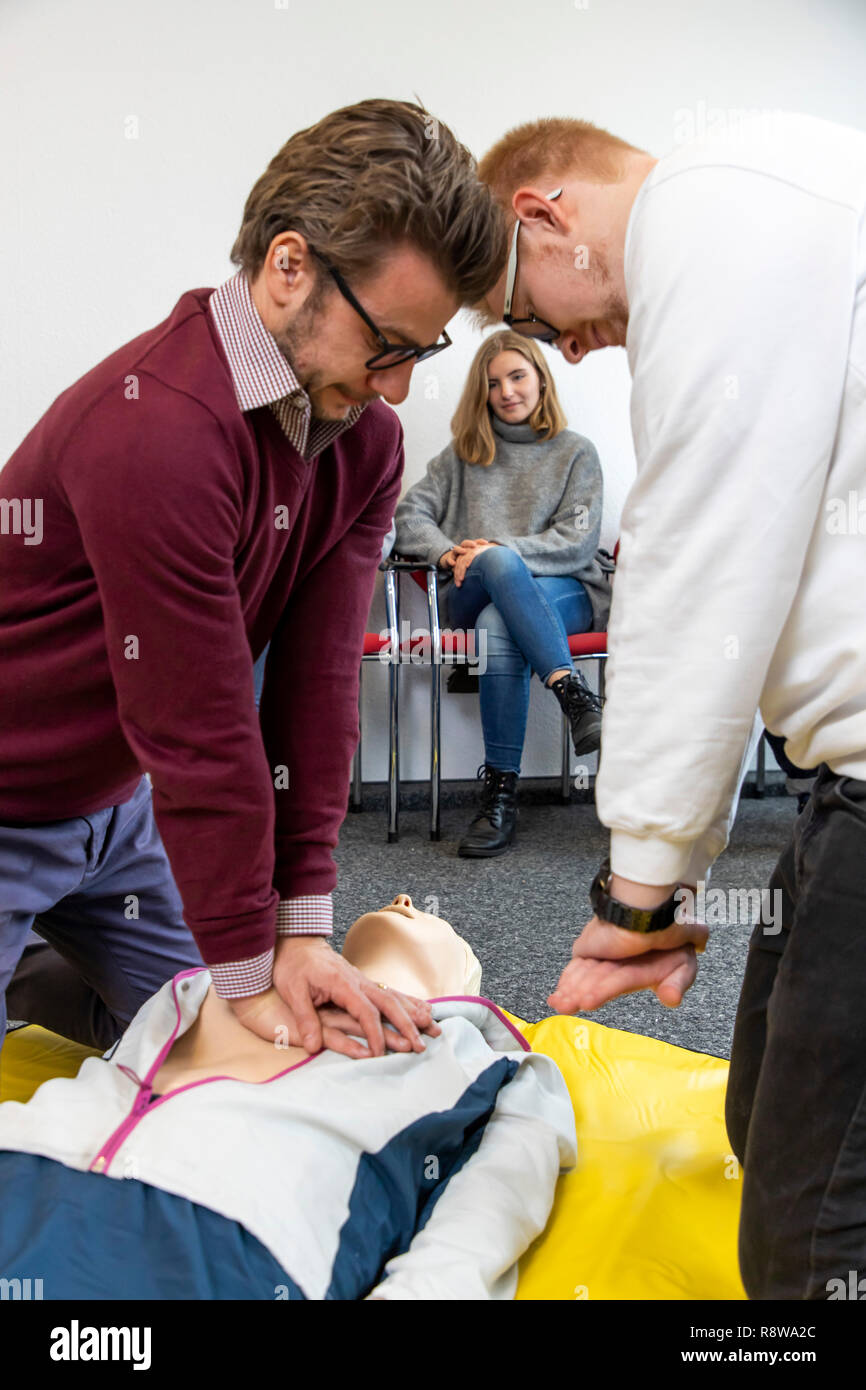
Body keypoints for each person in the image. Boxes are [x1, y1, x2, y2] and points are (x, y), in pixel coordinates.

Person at [0, 99, 507, 1063]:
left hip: (117, 808)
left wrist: (301, 928)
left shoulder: (367, 443)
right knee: (237, 1008)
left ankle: (38, 954)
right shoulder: (157, 427)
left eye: (422, 352)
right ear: (289, 266)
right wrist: (246, 954)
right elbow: (199, 718)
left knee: (229, 1046)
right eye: (388, 345)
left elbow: (315, 688)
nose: (398, 387)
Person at [473, 109, 866, 1299]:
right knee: (757, 1114)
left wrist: (637, 896)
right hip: (836, 778)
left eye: (532, 315)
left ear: (545, 215)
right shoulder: (763, 183)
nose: (566, 350)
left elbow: (696, 565)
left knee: (804, 1250)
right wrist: (667, 874)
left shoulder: (716, 206)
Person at [0, 896, 576, 1301]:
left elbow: (469, 1243)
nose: (404, 897)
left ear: (462, 987)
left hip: (216, 1245)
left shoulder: (493, 1068)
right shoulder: (209, 984)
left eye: (432, 916)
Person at [394, 330, 614, 857]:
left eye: (517, 376)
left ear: (541, 377)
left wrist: (498, 549)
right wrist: (451, 555)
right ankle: (573, 694)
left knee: (498, 621)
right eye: (494, 384)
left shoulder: (576, 453)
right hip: (469, 593)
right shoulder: (462, 457)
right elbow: (408, 515)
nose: (507, 391)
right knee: (493, 574)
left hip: (565, 593)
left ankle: (499, 797)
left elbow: (576, 541)